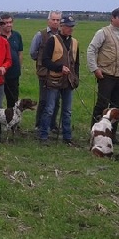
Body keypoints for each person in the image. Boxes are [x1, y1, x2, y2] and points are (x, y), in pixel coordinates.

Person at [86, 7, 119, 139]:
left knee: (116, 106)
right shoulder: (102, 32)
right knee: (102, 105)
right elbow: (91, 50)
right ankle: (96, 132)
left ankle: (111, 134)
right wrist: (95, 69)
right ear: (112, 18)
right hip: (106, 74)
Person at [38, 15, 80, 146]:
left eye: (72, 26)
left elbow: (76, 63)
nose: (71, 29)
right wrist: (59, 67)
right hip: (54, 80)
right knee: (49, 109)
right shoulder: (52, 40)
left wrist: (76, 77)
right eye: (68, 26)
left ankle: (67, 137)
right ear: (62, 26)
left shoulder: (75, 42)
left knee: (67, 111)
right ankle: (43, 135)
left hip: (68, 81)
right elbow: (45, 60)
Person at [30, 10, 62, 132]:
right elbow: (33, 53)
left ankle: (52, 125)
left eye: (58, 20)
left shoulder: (62, 35)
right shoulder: (40, 35)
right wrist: (41, 62)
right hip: (44, 73)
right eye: (53, 19)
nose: (55, 22)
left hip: (58, 73)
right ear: (48, 20)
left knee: (56, 100)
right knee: (43, 99)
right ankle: (39, 124)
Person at [0, 13, 23, 108]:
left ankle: (12, 121)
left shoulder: (17, 35)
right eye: (5, 23)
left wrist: (19, 68)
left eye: (10, 22)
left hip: (14, 74)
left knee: (13, 99)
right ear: (1, 24)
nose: (8, 25)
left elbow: (20, 53)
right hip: (0, 74)